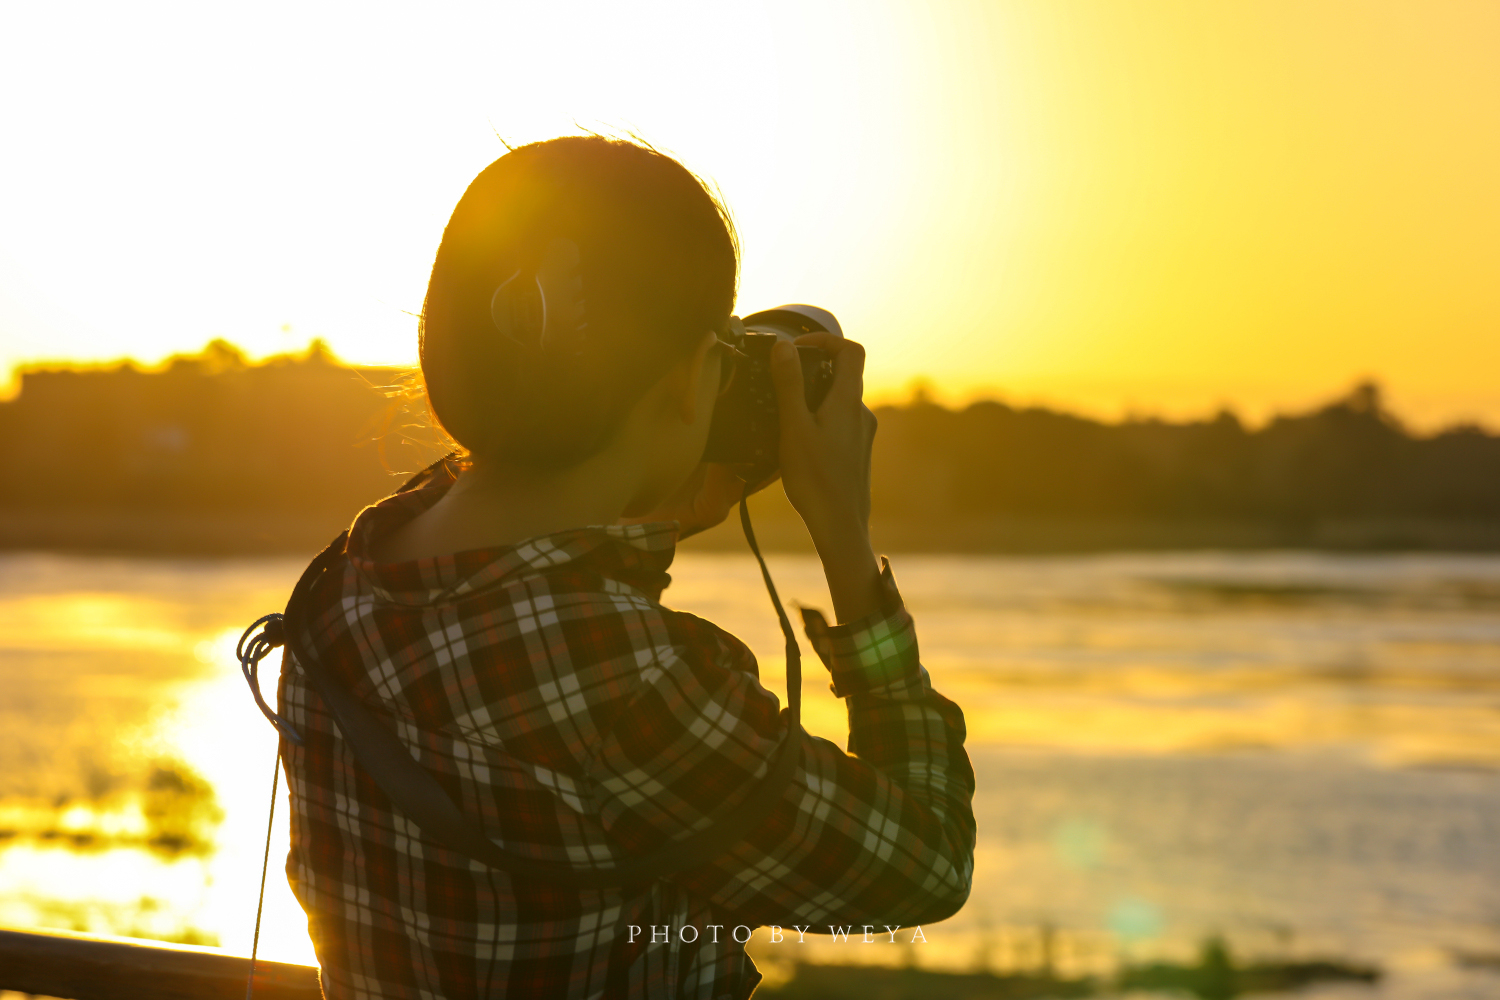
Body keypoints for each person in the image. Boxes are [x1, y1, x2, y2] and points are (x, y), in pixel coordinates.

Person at [277, 135, 975, 1000]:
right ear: (687, 382)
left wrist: (647, 486)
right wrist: (844, 540)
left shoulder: (337, 592)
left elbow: (520, 601)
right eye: (719, 354)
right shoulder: (633, 683)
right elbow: (925, 867)